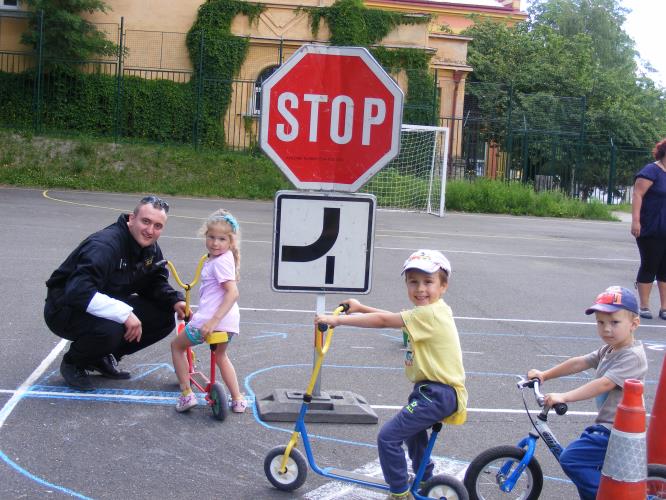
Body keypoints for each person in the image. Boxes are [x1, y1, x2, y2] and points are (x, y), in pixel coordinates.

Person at [315, 249, 467, 500]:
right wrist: (361, 307)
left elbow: (386, 321)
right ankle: (425, 478)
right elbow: (395, 319)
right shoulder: (433, 311)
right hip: (433, 392)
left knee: (388, 438)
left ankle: (399, 492)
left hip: (438, 393)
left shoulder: (429, 313)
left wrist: (338, 321)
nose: (420, 289)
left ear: (443, 286)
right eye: (413, 282)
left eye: (428, 282)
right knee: (414, 435)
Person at [44, 195, 187, 391]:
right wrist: (124, 313)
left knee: (163, 316)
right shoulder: (105, 245)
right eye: (145, 221)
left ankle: (101, 357)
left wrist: (174, 300)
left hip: (104, 303)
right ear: (131, 218)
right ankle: (74, 362)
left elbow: (154, 282)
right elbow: (78, 292)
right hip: (65, 309)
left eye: (157, 226)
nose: (150, 230)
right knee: (112, 328)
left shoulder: (149, 248)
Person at [527, 285, 647, 500]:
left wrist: (564, 396)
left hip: (618, 431)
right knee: (590, 468)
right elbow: (580, 362)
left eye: (614, 322)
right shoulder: (610, 349)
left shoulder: (632, 356)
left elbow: (603, 384)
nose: (606, 329)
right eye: (600, 322)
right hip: (607, 426)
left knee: (572, 459)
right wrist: (545, 374)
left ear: (634, 324)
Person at [171, 209, 246, 414]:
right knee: (221, 356)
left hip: (213, 322)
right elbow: (215, 296)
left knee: (176, 347)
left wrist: (211, 321)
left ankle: (187, 394)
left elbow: (232, 293)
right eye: (211, 237)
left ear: (230, 241)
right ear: (206, 236)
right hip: (230, 322)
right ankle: (238, 399)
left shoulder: (219, 262)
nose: (215, 243)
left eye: (221, 239)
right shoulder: (227, 257)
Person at [631, 138, 666, 320]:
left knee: (665, 268)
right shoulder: (651, 171)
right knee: (650, 265)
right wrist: (636, 221)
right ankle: (644, 306)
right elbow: (637, 194)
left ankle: (664, 307)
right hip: (651, 227)